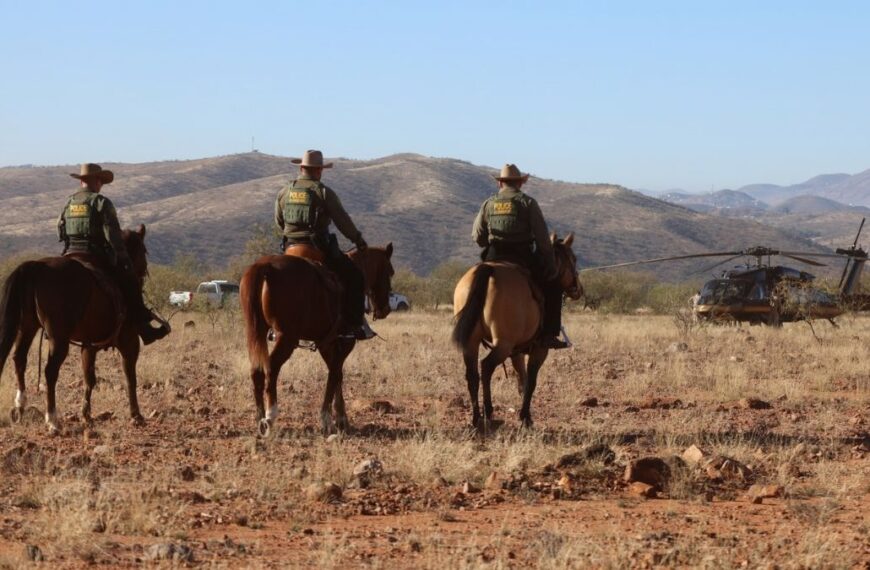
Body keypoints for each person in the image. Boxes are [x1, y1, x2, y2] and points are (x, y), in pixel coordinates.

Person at [57, 163, 170, 345]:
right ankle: (145, 330)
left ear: (81, 182)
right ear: (96, 181)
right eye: (100, 180)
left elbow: (60, 232)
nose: (101, 184)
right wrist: (123, 259)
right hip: (94, 255)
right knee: (131, 282)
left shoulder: (69, 202)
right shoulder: (101, 202)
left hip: (69, 252)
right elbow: (113, 237)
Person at [274, 150, 375, 340]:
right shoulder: (323, 192)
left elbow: (279, 222)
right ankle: (352, 327)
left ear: (302, 168)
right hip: (317, 249)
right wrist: (358, 240)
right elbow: (342, 222)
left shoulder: (284, 192)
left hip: (289, 249)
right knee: (354, 277)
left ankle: (274, 327)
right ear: (319, 170)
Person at [472, 163, 567, 349]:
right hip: (521, 256)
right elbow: (542, 240)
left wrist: (489, 242)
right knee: (554, 285)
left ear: (500, 184)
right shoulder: (527, 203)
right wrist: (550, 265)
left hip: (493, 254)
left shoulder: (488, 203)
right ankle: (549, 334)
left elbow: (477, 236)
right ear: (520, 184)